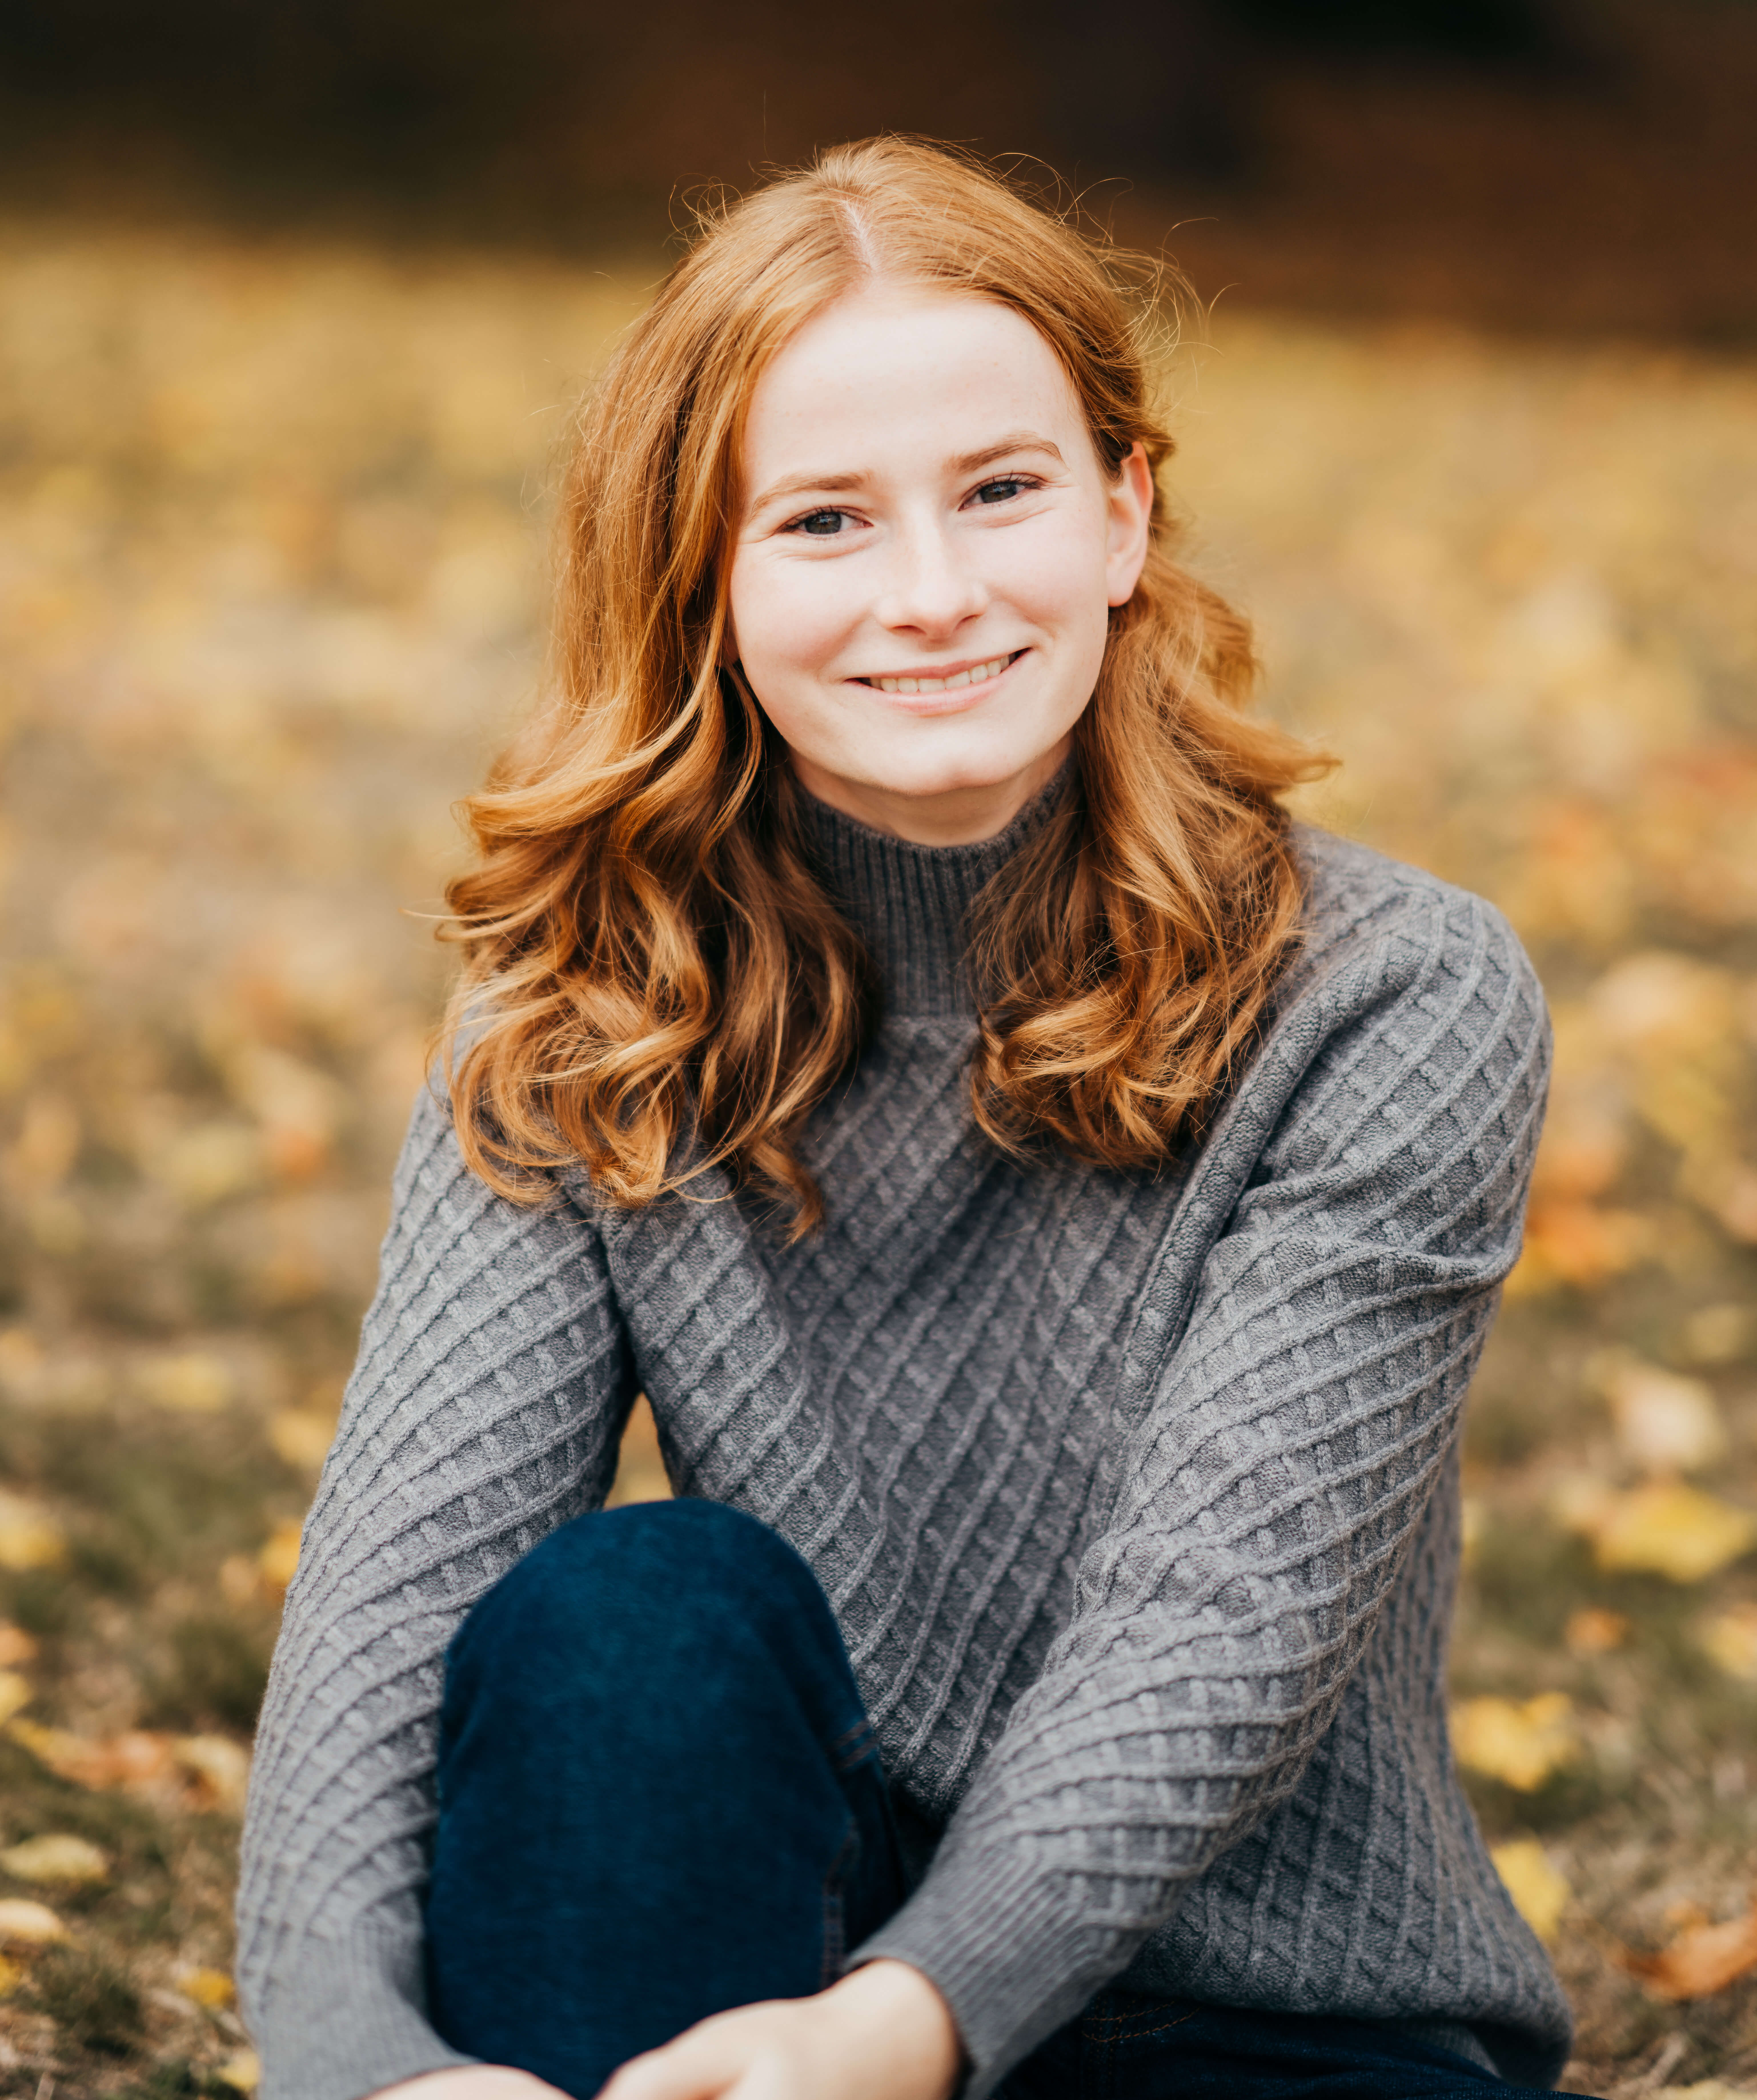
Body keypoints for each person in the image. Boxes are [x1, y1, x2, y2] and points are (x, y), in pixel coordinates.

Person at [237, 138, 1577, 2100]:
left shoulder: (1394, 993)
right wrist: (368, 2070)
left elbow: (1217, 1632)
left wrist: (903, 2028)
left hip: (1256, 2022)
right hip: (752, 1985)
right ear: (700, 580)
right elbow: (394, 1597)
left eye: (1003, 491)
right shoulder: (594, 1004)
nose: (932, 595)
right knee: (633, 1608)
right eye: (825, 522)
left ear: (1124, 514)